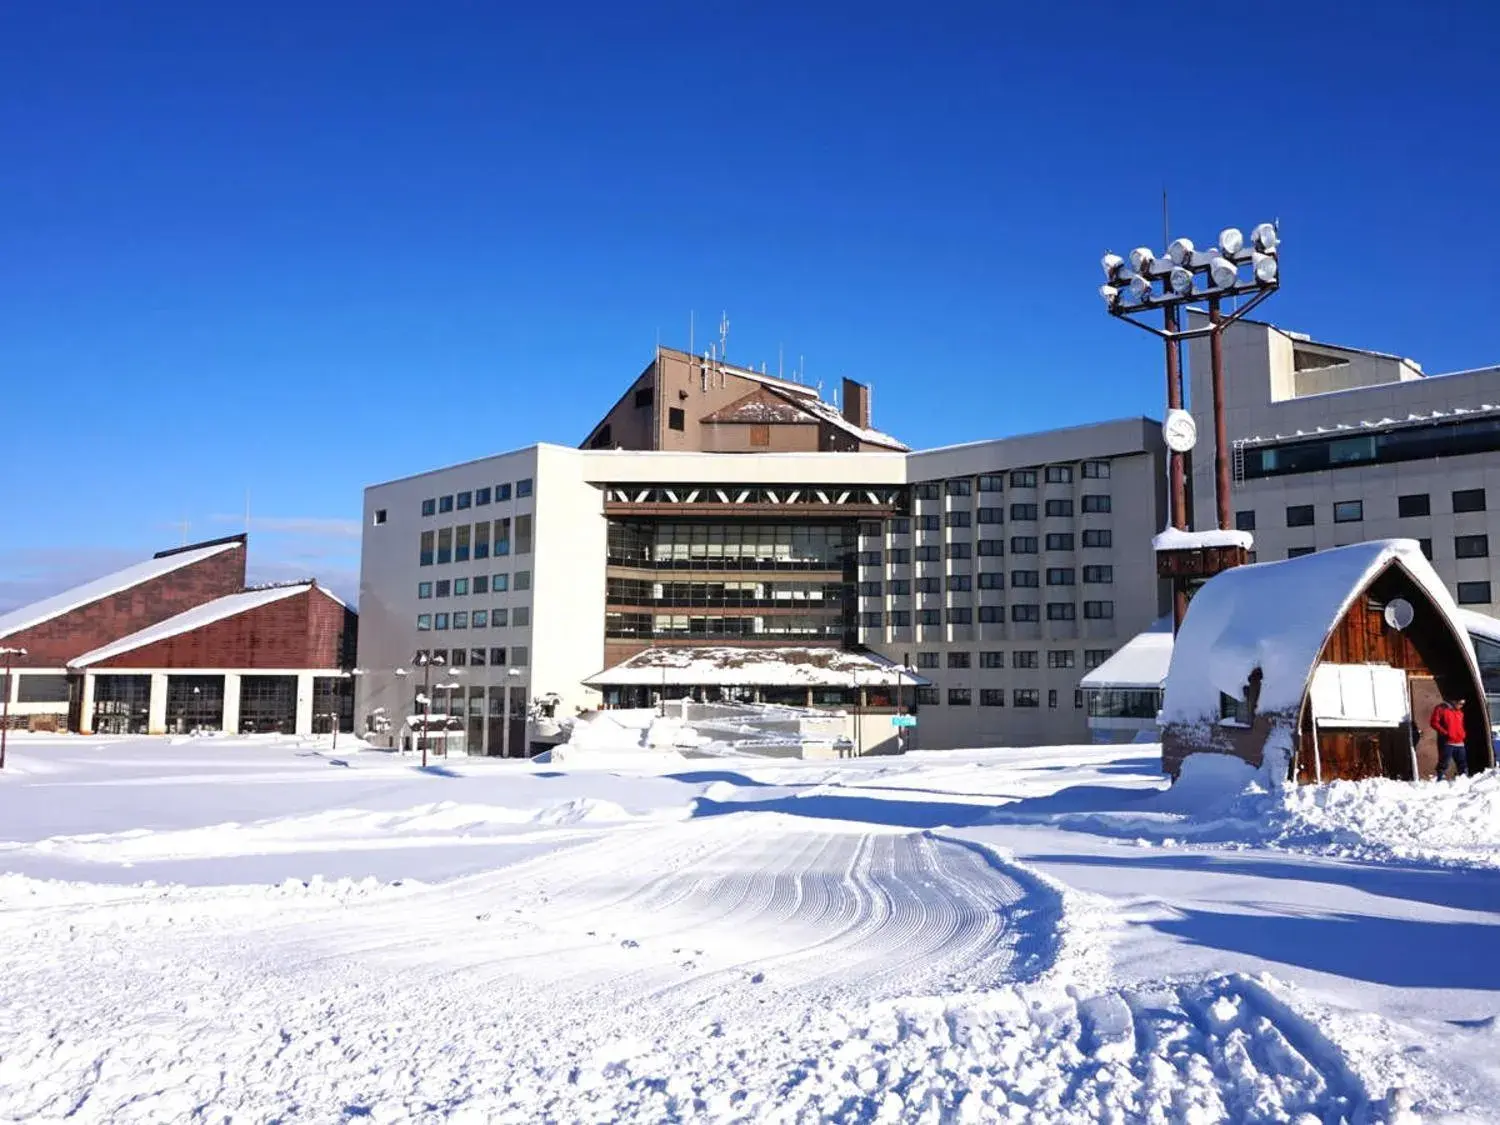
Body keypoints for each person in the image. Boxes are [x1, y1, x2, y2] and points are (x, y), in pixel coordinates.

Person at [1430, 697, 1468, 781]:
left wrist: (1463, 734)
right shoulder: (1441, 709)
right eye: (1460, 704)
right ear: (1454, 701)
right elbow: (1434, 722)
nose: (1461, 706)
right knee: (1444, 763)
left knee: (1462, 764)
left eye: (1463, 704)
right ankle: (1440, 780)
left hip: (1460, 742)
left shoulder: (1460, 712)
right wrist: (1445, 733)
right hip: (1448, 742)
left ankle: (1463, 781)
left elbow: (1461, 725)